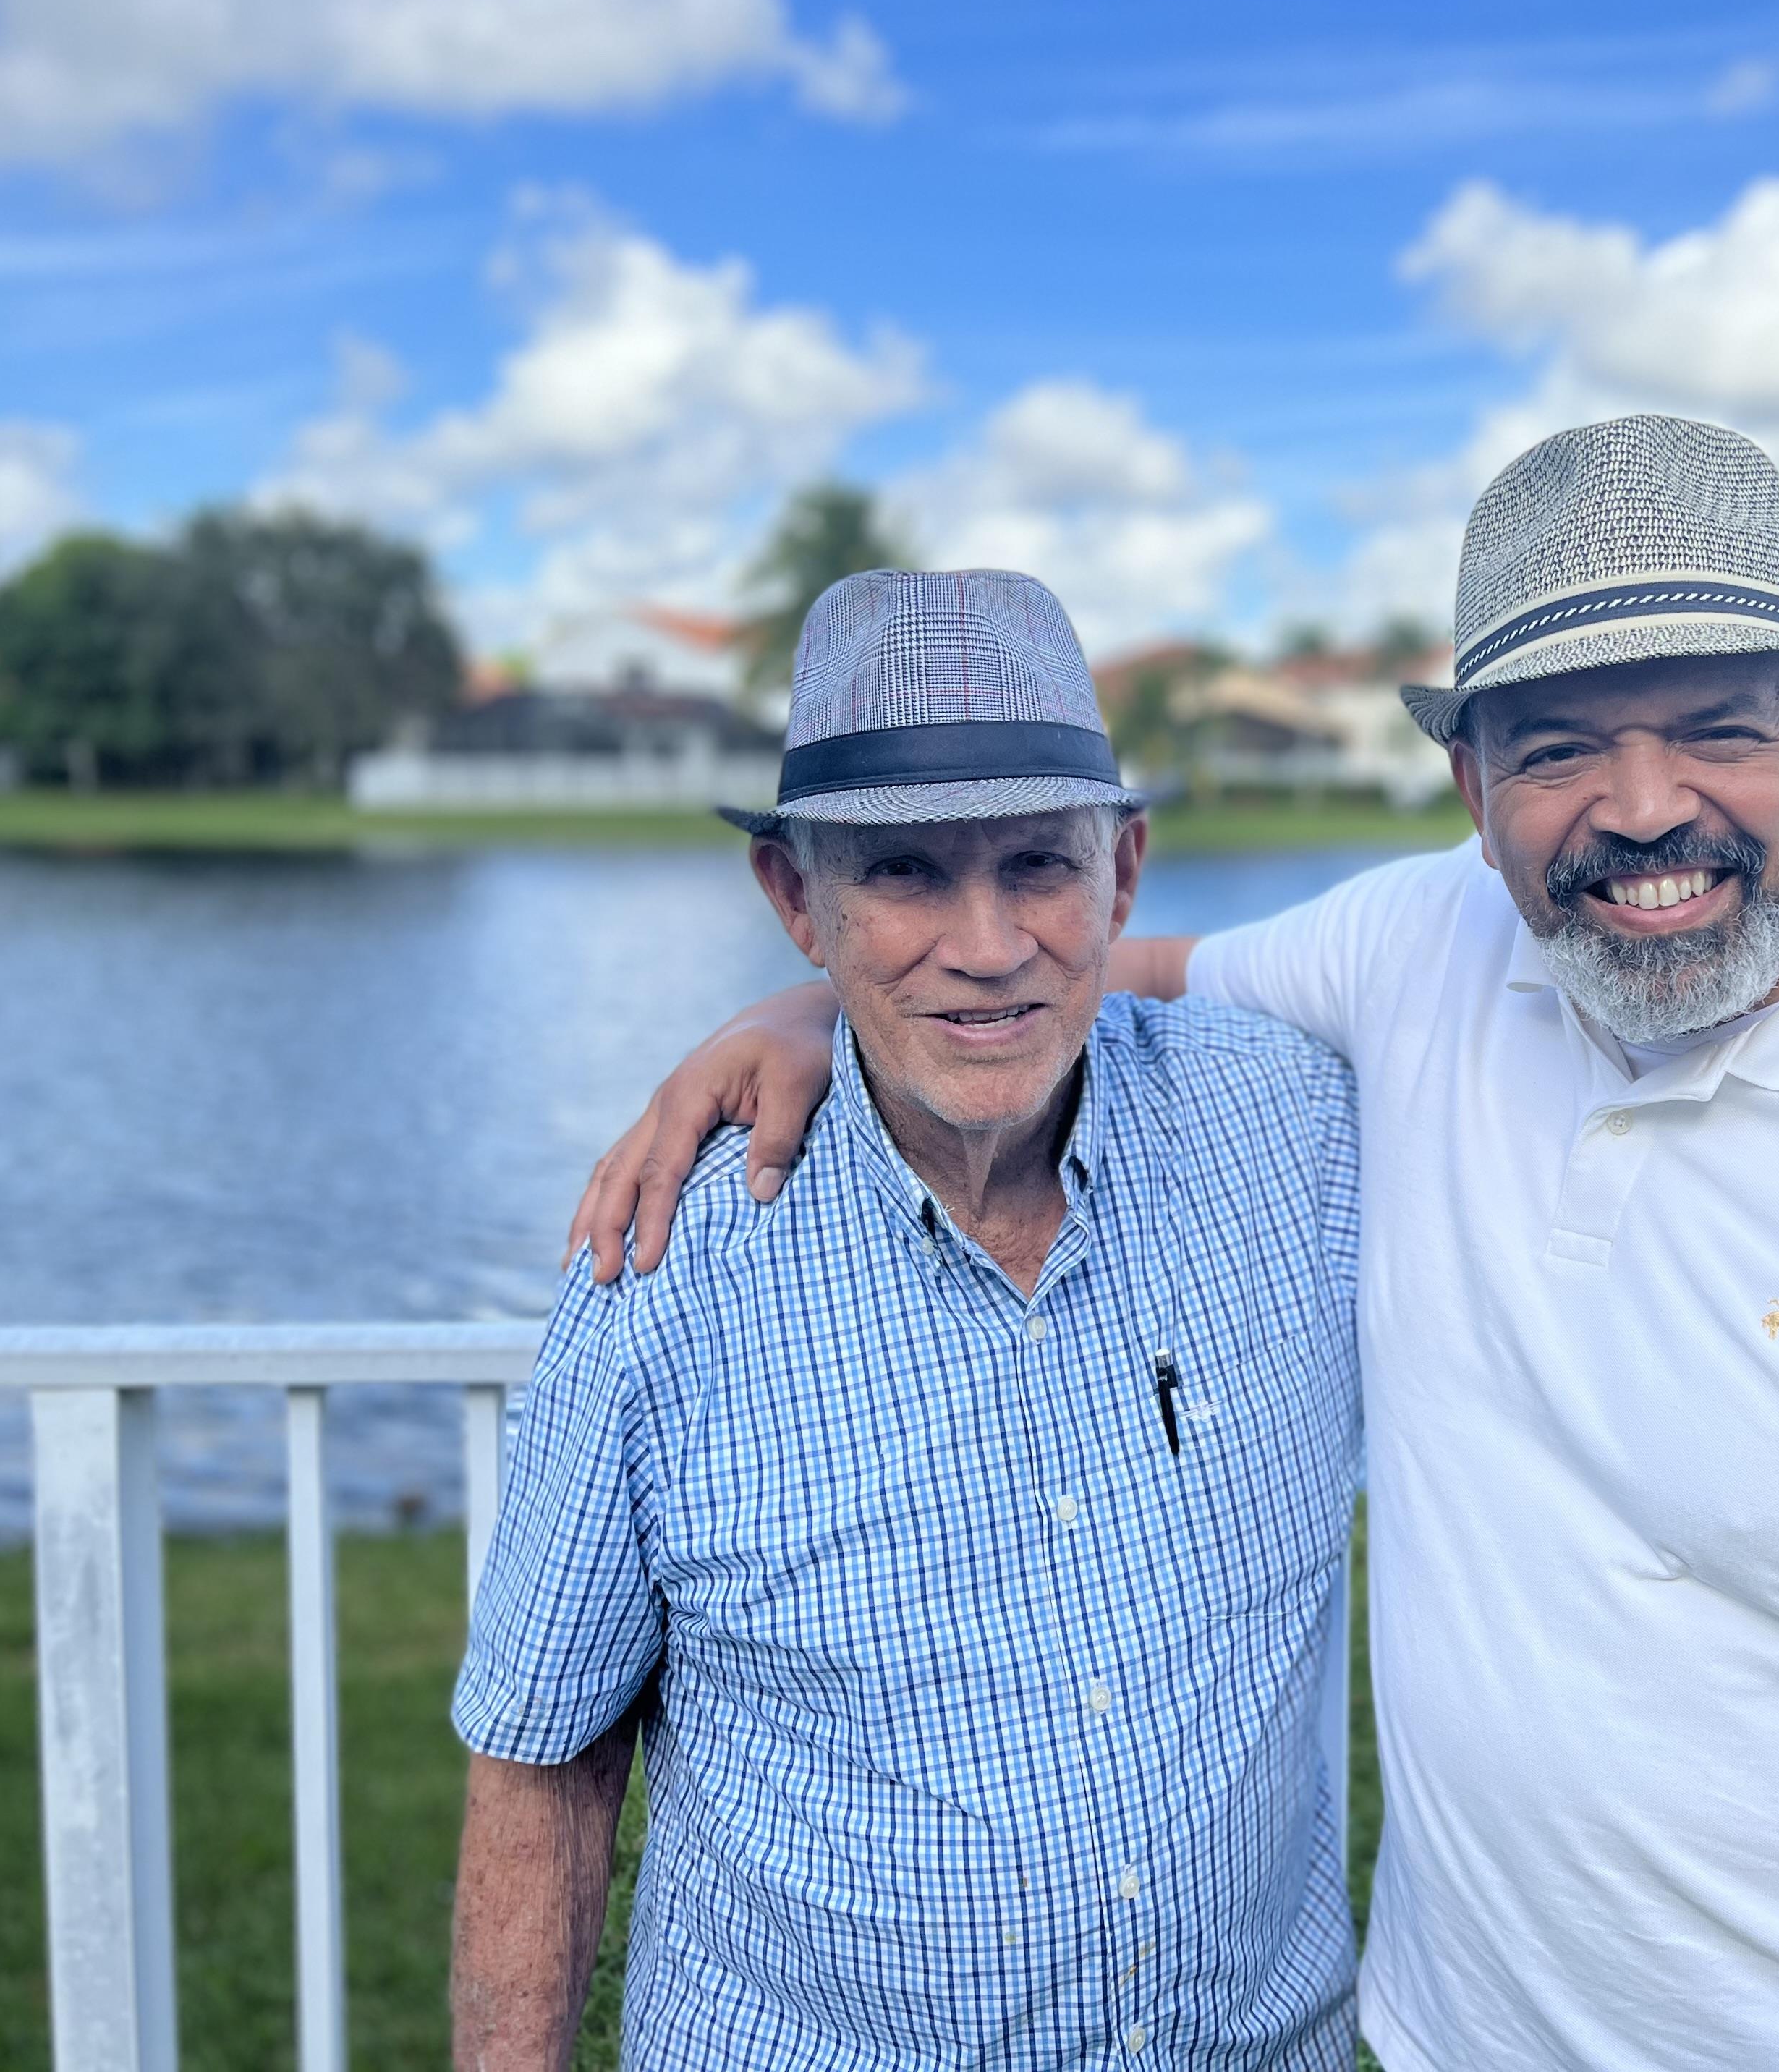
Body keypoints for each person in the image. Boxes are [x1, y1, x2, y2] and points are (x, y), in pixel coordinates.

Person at [574, 417, 1779, 2071]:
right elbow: (1073, 972)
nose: (1640, 807)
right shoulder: (1428, 949)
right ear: (1469, 790)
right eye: (1554, 751)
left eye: (1715, 727)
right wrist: (817, 1011)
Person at [453, 569, 1364, 2071]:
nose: (990, 942)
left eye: (1036, 866)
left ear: (1123, 874)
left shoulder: (1300, 1132)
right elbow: (541, 1764)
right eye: (905, 876)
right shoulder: (668, 1256)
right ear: (795, 900)